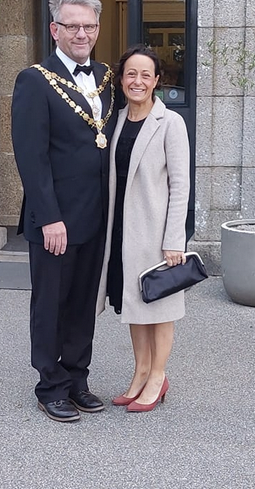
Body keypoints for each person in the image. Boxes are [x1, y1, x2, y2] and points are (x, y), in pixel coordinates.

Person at [11, 0, 116, 423]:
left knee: (83, 303)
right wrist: (49, 217)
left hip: (96, 214)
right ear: (55, 30)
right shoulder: (34, 80)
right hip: (56, 220)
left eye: (89, 26)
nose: (81, 34)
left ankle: (76, 379)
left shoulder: (106, 76)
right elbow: (30, 157)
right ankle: (50, 385)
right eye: (72, 26)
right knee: (51, 303)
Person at [96, 44, 191, 414]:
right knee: (134, 305)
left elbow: (180, 186)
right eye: (131, 74)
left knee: (160, 306)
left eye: (145, 75)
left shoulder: (170, 123)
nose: (138, 81)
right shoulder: (115, 120)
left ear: (156, 80)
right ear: (121, 80)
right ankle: (140, 373)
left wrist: (174, 240)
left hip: (155, 232)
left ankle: (158, 376)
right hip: (122, 231)